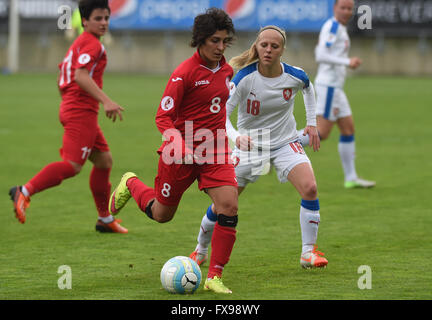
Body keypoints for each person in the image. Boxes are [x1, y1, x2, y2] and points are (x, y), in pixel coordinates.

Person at [108, 8, 238, 294]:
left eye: (224, 41)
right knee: (162, 215)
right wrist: (177, 142)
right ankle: (131, 182)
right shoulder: (183, 74)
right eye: (215, 40)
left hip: (214, 151)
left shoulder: (227, 69)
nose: (220, 47)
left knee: (229, 205)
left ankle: (214, 276)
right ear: (200, 40)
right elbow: (163, 117)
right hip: (179, 154)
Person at [189, 25, 328, 270]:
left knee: (310, 187)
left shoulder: (295, 76)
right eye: (264, 45)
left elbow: (308, 88)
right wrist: (236, 138)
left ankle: (308, 253)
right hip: (250, 147)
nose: (268, 50)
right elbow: (221, 114)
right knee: (224, 204)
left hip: (285, 143)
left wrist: (311, 124)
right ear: (257, 46)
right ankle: (200, 250)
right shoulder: (244, 78)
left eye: (275, 46)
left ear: (282, 50)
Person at [9, 0, 127, 233]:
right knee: (72, 166)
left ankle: (104, 219)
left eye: (106, 18)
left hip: (77, 109)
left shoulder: (80, 42)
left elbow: (62, 73)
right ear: (84, 20)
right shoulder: (92, 45)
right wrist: (106, 101)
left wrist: (69, 100)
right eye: (98, 18)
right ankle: (24, 191)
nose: (103, 23)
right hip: (81, 112)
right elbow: (81, 76)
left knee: (104, 162)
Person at [297, 0, 375, 189]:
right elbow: (321, 55)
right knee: (321, 132)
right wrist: (347, 62)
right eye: (343, 7)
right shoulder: (332, 26)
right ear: (335, 8)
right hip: (329, 87)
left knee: (348, 129)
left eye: (350, 8)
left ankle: (351, 178)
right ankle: (273, 145)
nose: (347, 11)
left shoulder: (339, 27)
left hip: (336, 88)